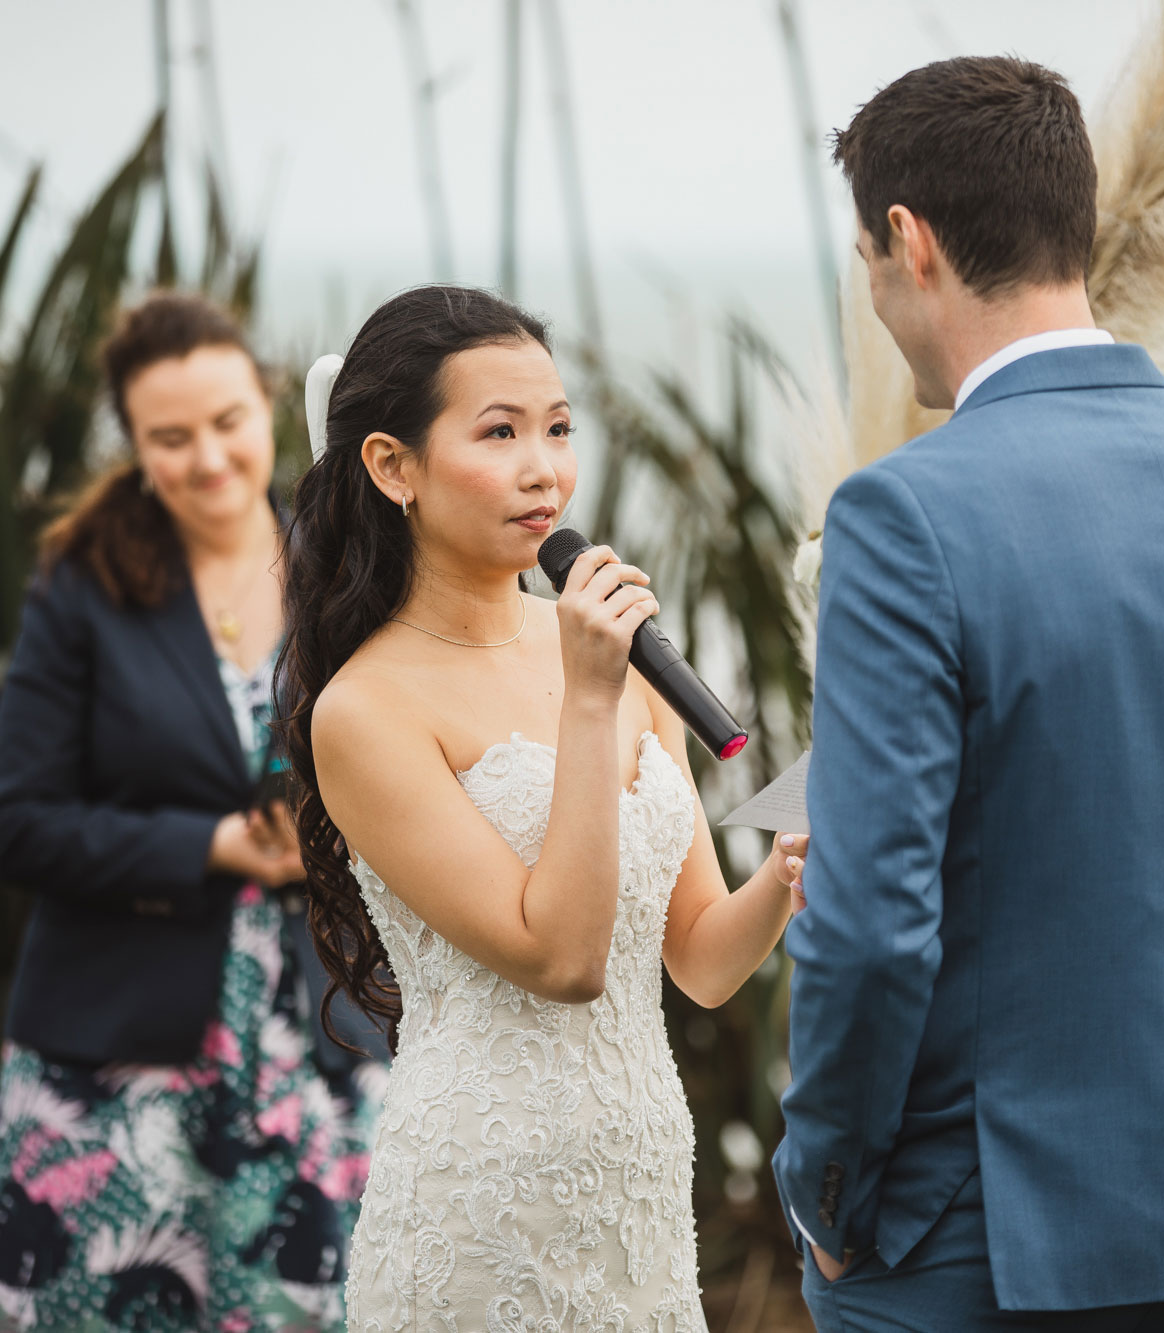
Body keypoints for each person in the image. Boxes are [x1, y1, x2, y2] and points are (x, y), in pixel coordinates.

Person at [774, 57, 1164, 1331]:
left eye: (865, 261)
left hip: (972, 1248)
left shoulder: (900, 514)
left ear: (907, 243)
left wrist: (821, 1193)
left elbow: (869, 932)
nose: (870, 297)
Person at [276, 284, 807, 1331]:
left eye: (559, 429)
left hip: (642, 1203)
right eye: (500, 431)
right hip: (482, 1204)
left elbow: (696, 959)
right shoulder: (367, 708)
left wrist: (788, 871)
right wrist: (590, 695)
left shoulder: (608, 652)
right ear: (393, 467)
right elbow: (560, 957)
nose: (544, 468)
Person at [0, 294, 381, 1332]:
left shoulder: (347, 573)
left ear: (268, 409)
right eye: (171, 436)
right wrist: (211, 846)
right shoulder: (81, 586)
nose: (208, 457)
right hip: (113, 1062)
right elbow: (18, 823)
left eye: (229, 422)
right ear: (134, 444)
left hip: (314, 1046)